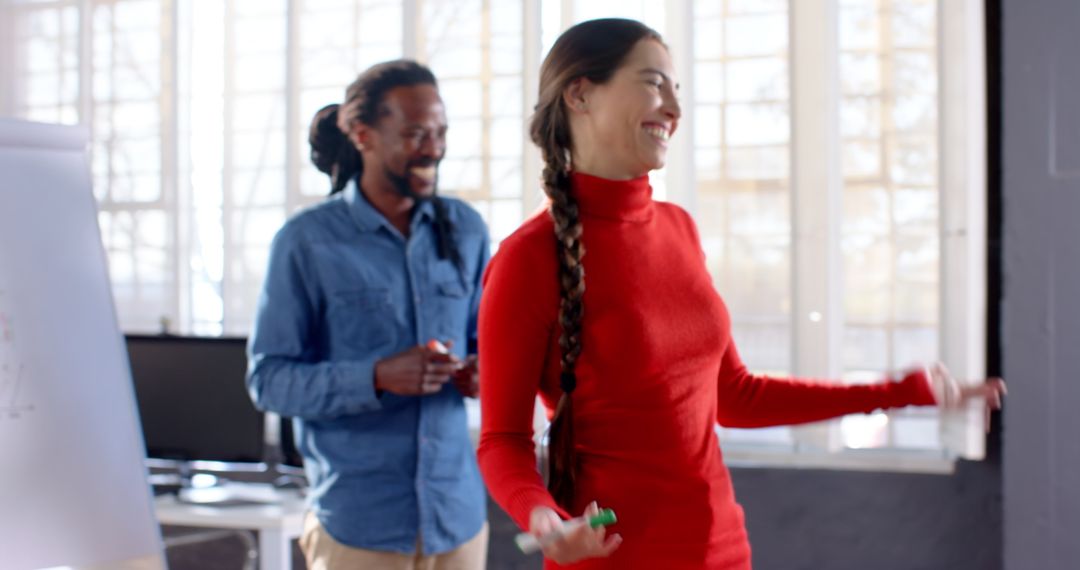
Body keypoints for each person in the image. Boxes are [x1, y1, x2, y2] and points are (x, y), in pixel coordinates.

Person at [476, 18, 1006, 569]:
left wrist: (901, 392)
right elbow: (501, 439)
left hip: (722, 550)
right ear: (580, 93)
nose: (674, 110)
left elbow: (736, 396)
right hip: (614, 558)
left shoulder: (679, 228)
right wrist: (541, 515)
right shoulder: (526, 260)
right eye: (654, 83)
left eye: (677, 91)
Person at [248, 59, 491, 570]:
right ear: (363, 135)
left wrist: (479, 373)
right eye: (415, 133)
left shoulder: (466, 230)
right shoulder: (306, 242)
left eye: (440, 132)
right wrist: (376, 376)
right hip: (359, 529)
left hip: (460, 523)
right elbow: (268, 380)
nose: (433, 148)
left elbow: (484, 343)